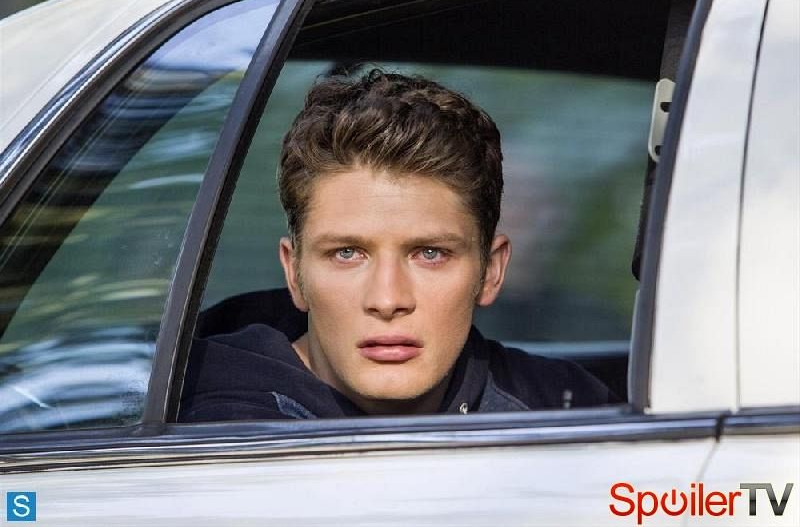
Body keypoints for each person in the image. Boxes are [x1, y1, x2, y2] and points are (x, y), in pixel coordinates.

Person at [179, 69, 617, 422]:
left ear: (491, 271)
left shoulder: (565, 407)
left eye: (430, 254)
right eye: (346, 253)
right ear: (295, 274)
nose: (387, 300)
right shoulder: (214, 433)